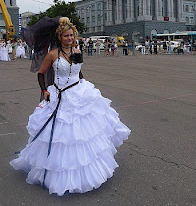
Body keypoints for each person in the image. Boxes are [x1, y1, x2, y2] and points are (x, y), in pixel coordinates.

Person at [10, 17, 130, 196]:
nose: (70, 38)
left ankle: (85, 171)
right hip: (60, 94)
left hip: (79, 92)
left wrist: (84, 85)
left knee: (83, 134)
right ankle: (56, 171)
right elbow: (41, 74)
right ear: (60, 37)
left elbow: (78, 70)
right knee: (62, 134)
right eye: (66, 36)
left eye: (72, 35)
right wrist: (44, 91)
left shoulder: (77, 50)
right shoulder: (53, 54)